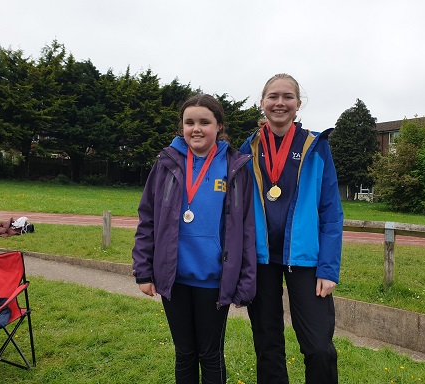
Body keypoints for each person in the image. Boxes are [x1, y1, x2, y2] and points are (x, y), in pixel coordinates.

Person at [132, 93, 256, 384]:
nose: (196, 128)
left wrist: (246, 280)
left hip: (214, 279)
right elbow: (147, 219)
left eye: (204, 122)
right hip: (174, 278)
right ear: (182, 127)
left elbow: (247, 228)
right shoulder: (166, 163)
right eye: (189, 122)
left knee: (211, 355)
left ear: (219, 126)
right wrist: (143, 270)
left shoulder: (235, 167)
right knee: (184, 353)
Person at [240, 74, 344, 384]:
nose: (280, 102)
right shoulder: (248, 148)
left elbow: (331, 212)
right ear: (262, 102)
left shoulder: (316, 146)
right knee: (268, 345)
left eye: (288, 97)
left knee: (319, 347)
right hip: (262, 259)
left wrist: (328, 268)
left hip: (306, 260)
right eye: (273, 96)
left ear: (298, 104)